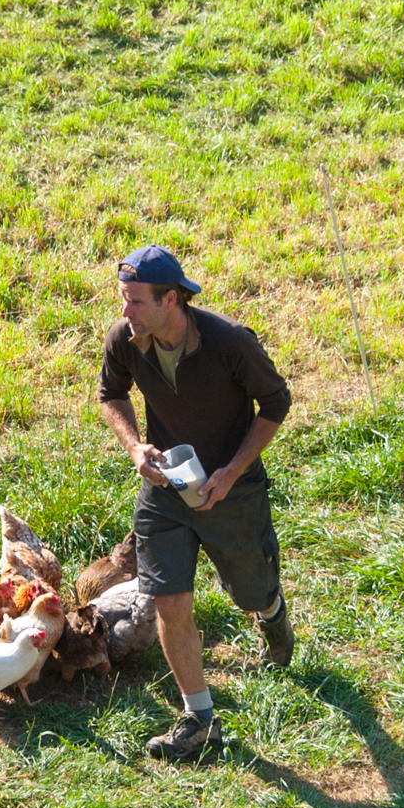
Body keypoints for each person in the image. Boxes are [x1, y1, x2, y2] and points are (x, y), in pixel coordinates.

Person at [95, 244, 295, 762]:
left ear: (172, 301)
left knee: (249, 593)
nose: (125, 312)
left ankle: (271, 613)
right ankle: (200, 719)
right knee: (169, 600)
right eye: (123, 298)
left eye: (136, 301)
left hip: (232, 488)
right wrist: (135, 445)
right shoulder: (126, 341)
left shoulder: (229, 343)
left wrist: (233, 472)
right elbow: (110, 395)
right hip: (165, 490)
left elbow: (276, 402)